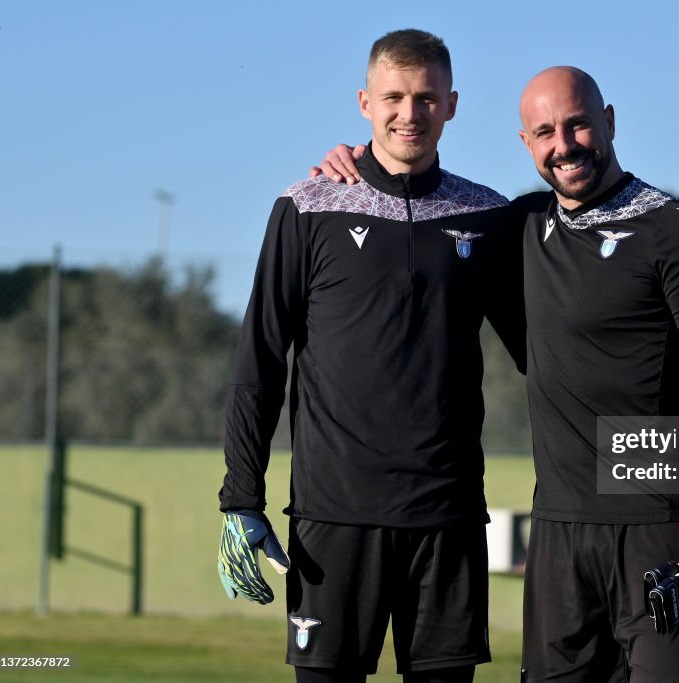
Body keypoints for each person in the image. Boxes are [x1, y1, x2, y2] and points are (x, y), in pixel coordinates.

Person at [315, 67, 679, 682]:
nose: (564, 145)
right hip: (558, 539)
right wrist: (359, 162)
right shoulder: (514, 227)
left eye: (577, 125)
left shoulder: (675, 230)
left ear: (610, 123)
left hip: (660, 529)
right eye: (545, 132)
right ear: (527, 144)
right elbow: (418, 205)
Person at [218, 29, 525, 683]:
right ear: (364, 101)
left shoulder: (491, 216)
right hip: (333, 518)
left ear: (451, 104)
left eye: (425, 98)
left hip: (447, 516)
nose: (408, 113)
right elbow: (261, 360)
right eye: (393, 97)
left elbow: (547, 355)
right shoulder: (307, 206)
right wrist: (242, 496)